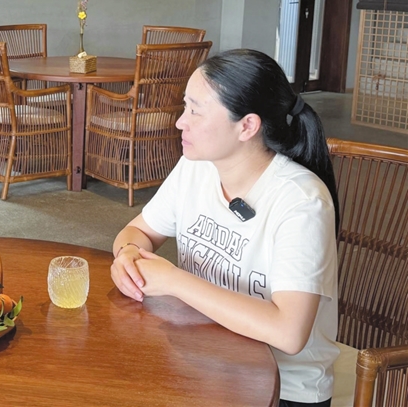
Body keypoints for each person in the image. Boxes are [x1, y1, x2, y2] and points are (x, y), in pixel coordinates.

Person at [111, 49, 339, 407]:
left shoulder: (302, 201)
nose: (180, 122)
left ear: (247, 126)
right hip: (205, 360)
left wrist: (174, 281)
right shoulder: (197, 166)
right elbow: (137, 232)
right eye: (185, 107)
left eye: (195, 111)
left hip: (281, 389)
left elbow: (289, 333)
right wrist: (127, 254)